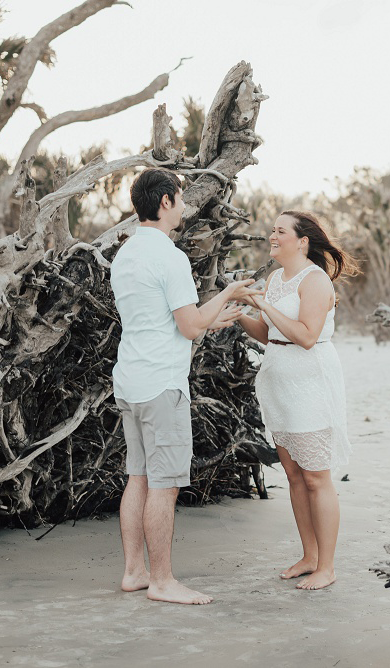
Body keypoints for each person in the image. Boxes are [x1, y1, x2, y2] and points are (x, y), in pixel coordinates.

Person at [111, 167, 260, 605]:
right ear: (164, 203)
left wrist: (215, 316)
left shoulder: (125, 255)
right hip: (162, 386)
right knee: (165, 485)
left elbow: (164, 321)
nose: (185, 205)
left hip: (130, 380)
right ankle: (162, 581)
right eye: (180, 197)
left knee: (137, 476)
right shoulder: (169, 257)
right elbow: (190, 325)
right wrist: (229, 292)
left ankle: (134, 572)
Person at [234, 210, 359, 590]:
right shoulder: (275, 278)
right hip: (279, 383)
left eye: (280, 231)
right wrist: (240, 312)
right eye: (272, 230)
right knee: (293, 475)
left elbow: (305, 336)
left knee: (317, 477)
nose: (273, 235)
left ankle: (328, 566)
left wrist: (264, 306)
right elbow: (271, 335)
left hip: (311, 384)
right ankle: (309, 556)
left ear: (302, 241)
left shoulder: (316, 280)